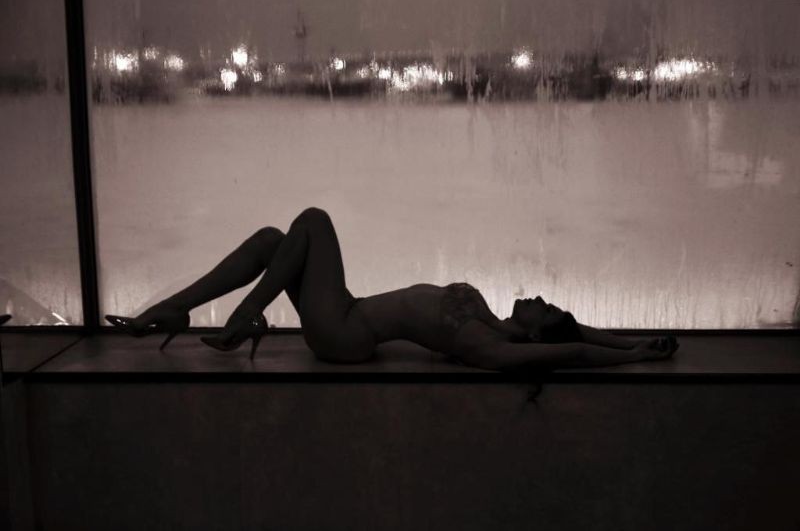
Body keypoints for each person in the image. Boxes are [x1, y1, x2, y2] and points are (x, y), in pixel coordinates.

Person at [105, 207, 678, 371]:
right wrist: (632, 339)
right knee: (271, 240)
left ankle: (245, 314)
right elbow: (578, 332)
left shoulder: (487, 345)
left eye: (543, 309)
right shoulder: (489, 318)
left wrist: (633, 358)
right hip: (347, 311)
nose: (538, 298)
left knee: (314, 220)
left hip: (345, 337)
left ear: (533, 334)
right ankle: (172, 310)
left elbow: (570, 350)